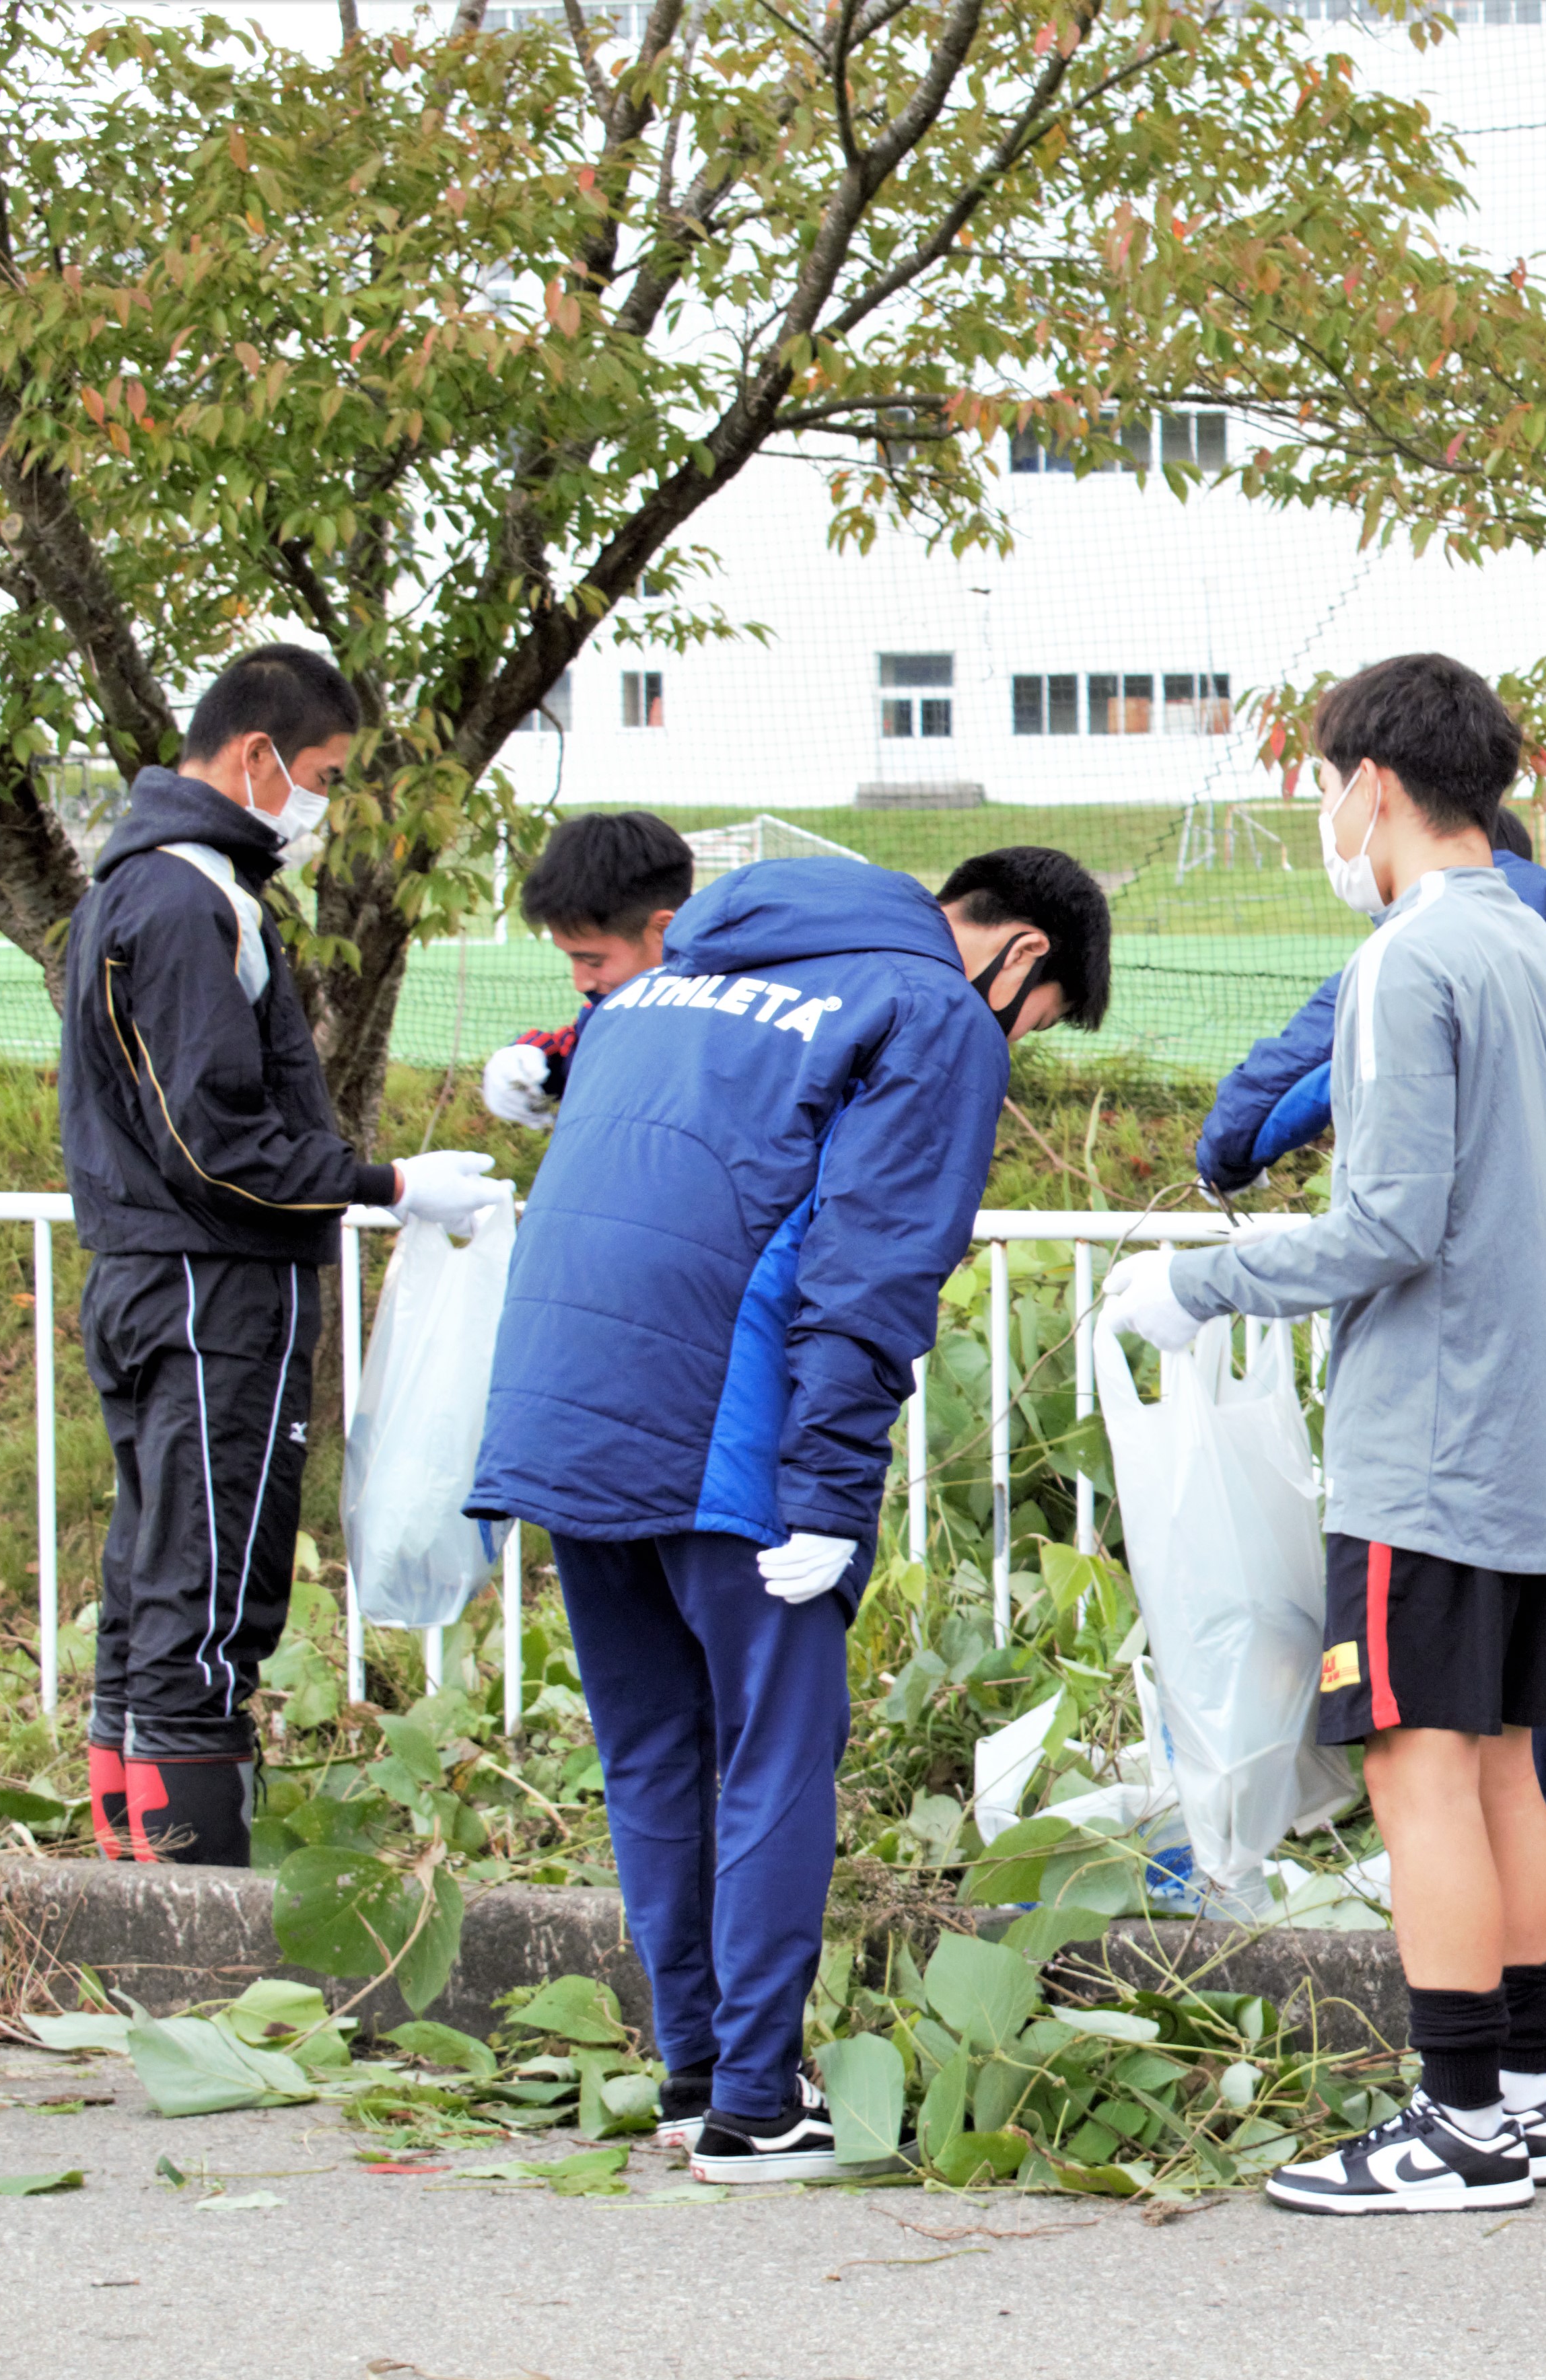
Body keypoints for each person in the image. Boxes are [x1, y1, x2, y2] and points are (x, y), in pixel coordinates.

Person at [470, 845, 1112, 2180]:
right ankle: (759, 2103)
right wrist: (824, 1485)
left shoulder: (669, 984)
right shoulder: (932, 1010)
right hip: (729, 1425)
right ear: (1022, 956)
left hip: (569, 1404)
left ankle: (695, 2067)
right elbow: (873, 1261)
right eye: (1031, 1026)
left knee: (655, 1746)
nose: (1012, 1043)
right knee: (773, 1746)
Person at [1098, 655, 1546, 2215]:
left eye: (1324, 787)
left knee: (1413, 1766)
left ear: (1371, 784)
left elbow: (1385, 1221)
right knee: (1502, 1759)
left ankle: (1453, 2126)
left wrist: (1201, 1283)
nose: (1327, 816)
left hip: (1425, 1436)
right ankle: (1523, 2095)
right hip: (1527, 1429)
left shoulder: (1407, 961)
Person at [1192, 807, 1546, 1881]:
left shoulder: (1403, 964)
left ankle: (1460, 2027)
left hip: (1433, 1412)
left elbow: (1255, 1132)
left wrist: (1207, 1255)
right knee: (1542, 1687)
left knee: (1422, 1759)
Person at [59, 643, 507, 1867]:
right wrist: (388, 1184)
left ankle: (136, 1871)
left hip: (158, 1278)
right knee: (212, 1583)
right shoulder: (188, 899)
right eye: (318, 775)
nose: (315, 805)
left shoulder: (142, 888)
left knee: (160, 1574)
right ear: (258, 758)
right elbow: (215, 1140)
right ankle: (194, 1897)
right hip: (209, 1286)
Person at [479, 812, 694, 1128]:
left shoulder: (741, 1023)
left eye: (593, 961)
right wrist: (534, 1065)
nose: (580, 982)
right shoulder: (620, 1005)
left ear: (664, 930)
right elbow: (581, 1045)